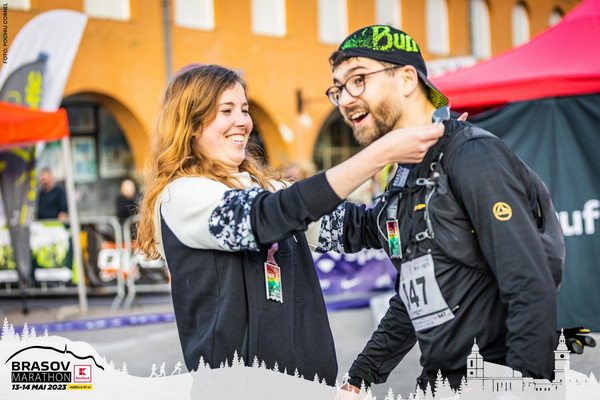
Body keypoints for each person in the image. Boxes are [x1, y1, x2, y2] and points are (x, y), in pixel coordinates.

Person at [135, 64, 445, 384]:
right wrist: (378, 154)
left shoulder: (266, 189)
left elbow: (357, 227)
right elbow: (267, 217)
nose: (242, 121)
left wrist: (427, 181)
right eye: (226, 110)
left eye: (244, 109)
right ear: (190, 124)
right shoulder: (182, 195)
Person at [317, 25, 564, 394]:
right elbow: (417, 294)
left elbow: (529, 285)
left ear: (406, 79)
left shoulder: (471, 154)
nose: (345, 100)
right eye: (338, 88)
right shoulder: (408, 175)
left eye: (358, 80)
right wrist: (359, 378)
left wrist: (523, 387)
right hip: (439, 382)